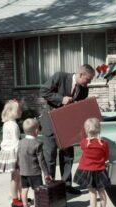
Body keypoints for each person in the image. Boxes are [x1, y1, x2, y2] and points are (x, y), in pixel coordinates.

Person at [40, 64, 95, 195]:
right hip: (51, 122)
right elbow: (43, 91)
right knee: (50, 155)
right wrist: (61, 99)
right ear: (81, 74)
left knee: (68, 156)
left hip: (67, 125)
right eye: (88, 80)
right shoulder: (60, 76)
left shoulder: (84, 89)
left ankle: (66, 185)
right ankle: (50, 185)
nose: (88, 83)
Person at [73, 118, 110, 207]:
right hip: (100, 170)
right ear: (99, 129)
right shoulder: (104, 143)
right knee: (102, 191)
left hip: (88, 170)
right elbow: (106, 157)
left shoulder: (84, 143)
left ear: (86, 130)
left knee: (92, 192)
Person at [17, 118, 52, 207]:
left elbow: (18, 157)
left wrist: (18, 167)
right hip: (34, 172)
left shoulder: (20, 143)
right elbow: (41, 161)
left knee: (24, 189)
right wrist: (46, 173)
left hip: (23, 172)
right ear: (36, 130)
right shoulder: (37, 144)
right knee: (37, 190)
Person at [0, 100, 23, 207]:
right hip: (14, 153)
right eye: (19, 109)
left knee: (16, 177)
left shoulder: (7, 123)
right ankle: (15, 200)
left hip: (8, 152)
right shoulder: (13, 125)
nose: (21, 111)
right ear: (12, 111)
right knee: (16, 177)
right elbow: (16, 142)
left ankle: (20, 196)